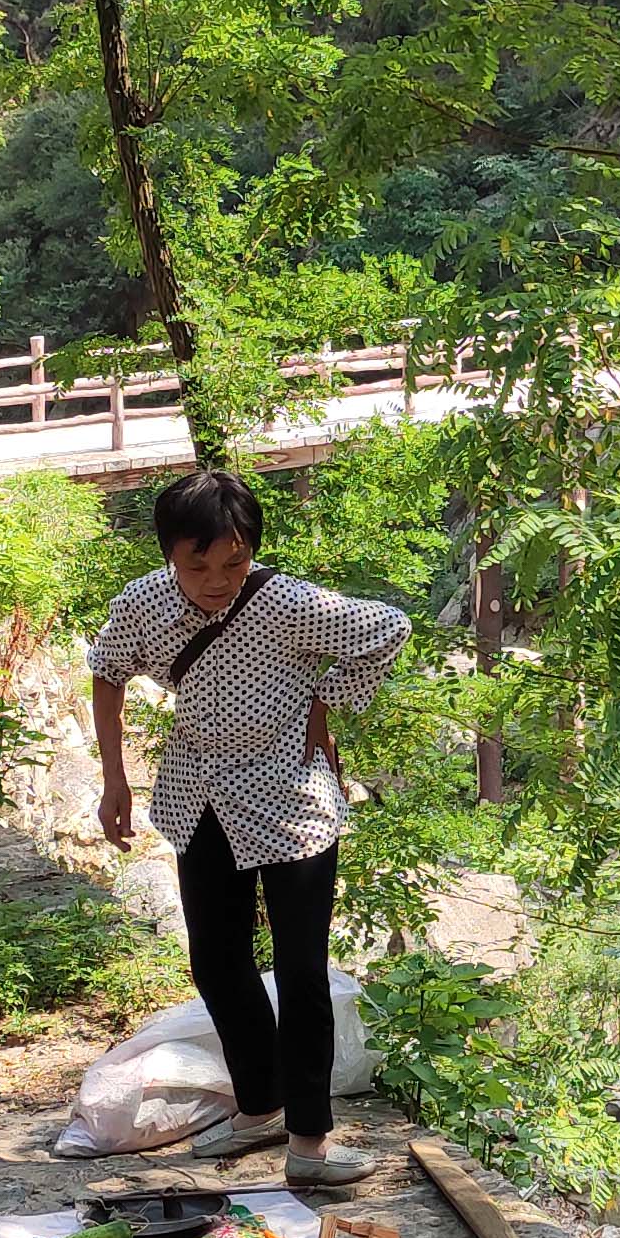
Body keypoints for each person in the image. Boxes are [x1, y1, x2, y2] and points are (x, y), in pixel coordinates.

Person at [89, 468, 409, 1188]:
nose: (216, 578)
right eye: (196, 562)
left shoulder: (287, 603)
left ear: (250, 552)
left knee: (300, 973)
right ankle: (259, 1107)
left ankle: (310, 1143)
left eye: (233, 561)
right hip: (199, 795)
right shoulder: (145, 604)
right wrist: (115, 776)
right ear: (171, 553)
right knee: (217, 963)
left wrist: (327, 701)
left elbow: (389, 628)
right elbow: (107, 670)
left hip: (291, 800)